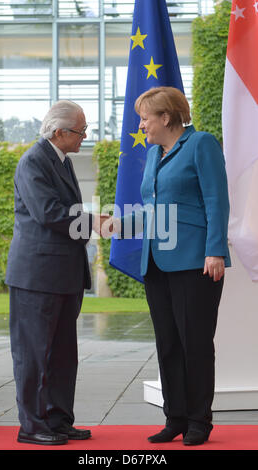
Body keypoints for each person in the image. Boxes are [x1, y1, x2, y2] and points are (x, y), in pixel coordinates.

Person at [107, 87, 231, 446]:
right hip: (157, 263)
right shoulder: (152, 155)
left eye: (145, 117)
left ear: (166, 117)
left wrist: (216, 250)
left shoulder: (201, 144)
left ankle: (198, 422)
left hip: (195, 261)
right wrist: (118, 222)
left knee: (194, 343)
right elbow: (151, 211)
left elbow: (216, 200)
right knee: (168, 344)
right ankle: (174, 417)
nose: (141, 123)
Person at [5, 100, 105, 445]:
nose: (85, 136)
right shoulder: (33, 161)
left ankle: (59, 420)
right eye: (81, 131)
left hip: (62, 276)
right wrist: (97, 224)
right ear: (59, 132)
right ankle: (32, 426)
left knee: (63, 354)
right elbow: (50, 214)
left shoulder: (61, 161)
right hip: (37, 277)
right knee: (34, 354)